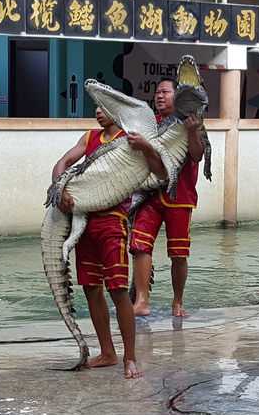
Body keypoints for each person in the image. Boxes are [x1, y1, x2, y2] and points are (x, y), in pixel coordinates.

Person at [52, 107, 154, 379]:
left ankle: (130, 357)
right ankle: (107, 352)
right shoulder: (89, 138)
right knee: (90, 288)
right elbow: (62, 162)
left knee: (118, 289)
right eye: (95, 106)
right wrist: (59, 188)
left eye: (103, 106)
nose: (98, 111)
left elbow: (158, 170)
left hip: (113, 221)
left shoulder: (130, 139)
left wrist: (146, 147)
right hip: (84, 221)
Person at [128, 78, 209, 318]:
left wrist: (193, 131)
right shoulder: (150, 124)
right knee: (139, 245)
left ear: (178, 96)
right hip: (149, 195)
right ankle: (142, 301)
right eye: (157, 92)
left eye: (165, 92)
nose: (159, 96)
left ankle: (177, 302)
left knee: (178, 253)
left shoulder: (192, 122)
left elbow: (196, 156)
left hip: (179, 196)